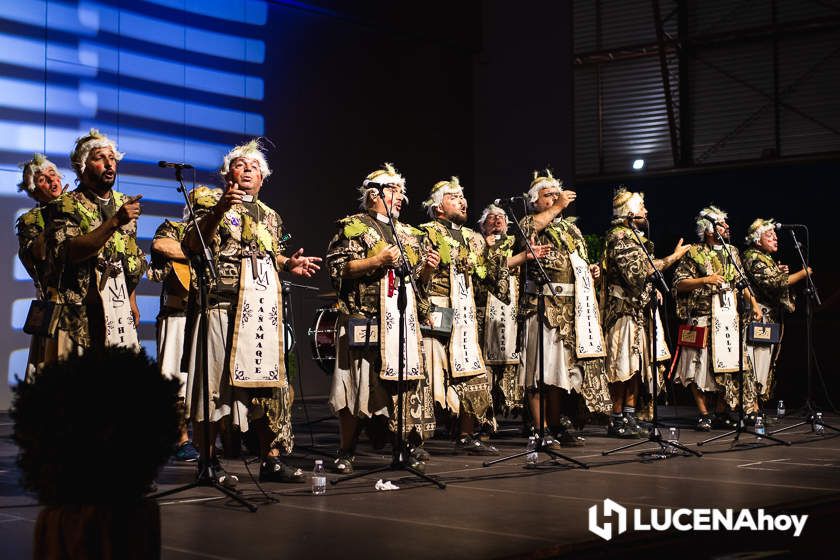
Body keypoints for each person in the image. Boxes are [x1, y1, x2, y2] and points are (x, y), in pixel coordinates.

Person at [183, 139, 321, 485]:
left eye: (254, 167)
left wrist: (289, 262)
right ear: (227, 173)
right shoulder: (207, 200)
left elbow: (269, 254)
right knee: (213, 388)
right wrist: (219, 210)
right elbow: (191, 245)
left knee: (267, 386)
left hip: (260, 309)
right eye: (240, 165)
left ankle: (270, 460)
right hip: (221, 303)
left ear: (263, 178)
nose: (247, 171)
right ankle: (208, 461)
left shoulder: (271, 216)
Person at [325, 163, 436, 473]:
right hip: (365, 317)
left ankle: (403, 446)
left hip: (401, 320)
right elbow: (337, 269)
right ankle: (346, 451)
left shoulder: (409, 234)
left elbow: (417, 282)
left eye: (401, 191)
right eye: (393, 190)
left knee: (401, 387)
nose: (400, 197)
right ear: (374, 194)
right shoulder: (353, 225)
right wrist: (376, 260)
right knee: (356, 388)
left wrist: (427, 268)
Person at [517, 170, 611, 447]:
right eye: (549, 195)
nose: (556, 198)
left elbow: (578, 260)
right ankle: (539, 428)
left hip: (572, 310)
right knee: (537, 373)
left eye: (558, 194)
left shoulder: (571, 229)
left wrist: (589, 270)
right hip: (543, 307)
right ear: (535, 202)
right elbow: (526, 235)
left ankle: (555, 425)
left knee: (557, 373)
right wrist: (558, 206)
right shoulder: (529, 220)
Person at [418, 177, 510, 455]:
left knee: (470, 370)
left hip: (466, 312)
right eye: (454, 197)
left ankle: (467, 434)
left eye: (463, 196)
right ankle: (417, 437)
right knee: (431, 374)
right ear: (438, 208)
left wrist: (496, 252)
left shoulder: (474, 238)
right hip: (438, 309)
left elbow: (493, 281)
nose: (463, 200)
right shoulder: (426, 233)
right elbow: (417, 275)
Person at [44, 129, 145, 361]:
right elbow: (69, 251)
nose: (109, 164)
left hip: (117, 309)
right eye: (100, 158)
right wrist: (116, 221)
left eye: (112, 158)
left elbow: (126, 253)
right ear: (82, 166)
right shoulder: (65, 204)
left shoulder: (123, 202)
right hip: (80, 312)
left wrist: (132, 299)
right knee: (79, 389)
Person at [601, 187, 689, 437]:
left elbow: (644, 276)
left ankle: (630, 416)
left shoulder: (635, 237)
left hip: (639, 310)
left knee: (637, 366)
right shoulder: (619, 236)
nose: (646, 211)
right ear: (629, 213)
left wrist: (653, 289)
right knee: (621, 366)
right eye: (641, 208)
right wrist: (673, 257)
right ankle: (616, 418)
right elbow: (636, 272)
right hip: (623, 311)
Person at [672, 206, 764, 430]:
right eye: (722, 224)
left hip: (727, 318)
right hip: (701, 316)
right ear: (709, 229)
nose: (727, 227)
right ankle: (704, 414)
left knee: (730, 366)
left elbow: (742, 281)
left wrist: (754, 304)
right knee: (697, 368)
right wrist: (705, 280)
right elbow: (679, 283)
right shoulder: (694, 252)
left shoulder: (732, 252)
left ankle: (722, 412)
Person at [148, 189, 221, 463]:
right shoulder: (174, 227)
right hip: (177, 313)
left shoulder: (220, 232)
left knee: (209, 378)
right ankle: (181, 440)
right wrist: (194, 249)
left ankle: (213, 441)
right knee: (175, 380)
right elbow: (159, 246)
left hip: (208, 312)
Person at [475, 204, 549, 419]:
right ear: (482, 224)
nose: (497, 221)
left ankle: (525, 417)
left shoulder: (517, 244)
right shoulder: (477, 242)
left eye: (501, 217)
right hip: (485, 311)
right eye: (491, 218)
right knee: (485, 367)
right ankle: (484, 420)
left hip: (513, 310)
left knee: (518, 362)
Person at [743, 219, 812, 404]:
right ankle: (751, 408)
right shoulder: (753, 256)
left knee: (765, 362)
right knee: (756, 362)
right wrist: (802, 273)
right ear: (758, 240)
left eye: (775, 235)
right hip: (757, 316)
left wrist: (779, 270)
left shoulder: (764, 257)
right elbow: (774, 283)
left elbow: (773, 278)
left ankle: (756, 407)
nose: (775, 238)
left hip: (769, 317)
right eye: (769, 235)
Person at [15, 153, 66, 380]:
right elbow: (34, 257)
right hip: (56, 299)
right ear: (35, 190)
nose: (51, 181)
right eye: (43, 179)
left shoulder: (79, 206)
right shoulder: (31, 220)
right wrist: (51, 225)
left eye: (52, 174)